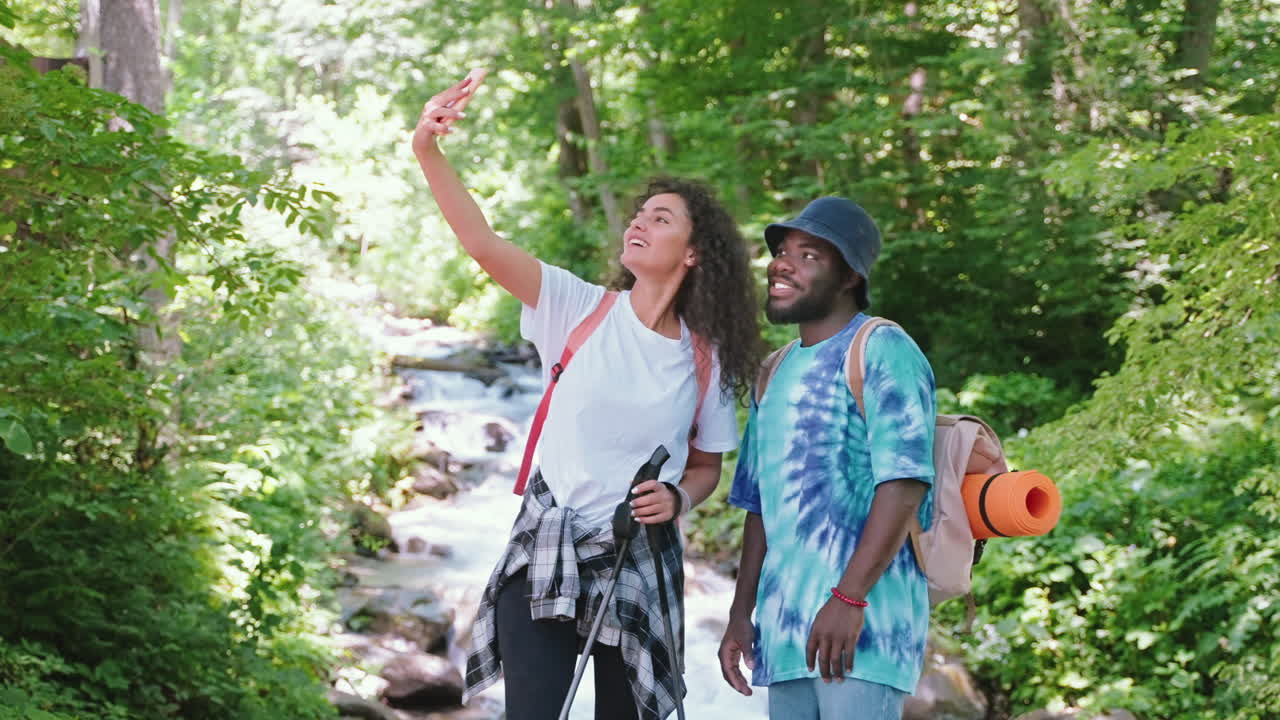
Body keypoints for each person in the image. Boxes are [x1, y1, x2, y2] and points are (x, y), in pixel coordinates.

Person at [411, 71, 762, 720]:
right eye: (639, 213)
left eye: (661, 219)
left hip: (638, 558)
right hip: (548, 541)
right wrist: (428, 150)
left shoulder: (704, 359)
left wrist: (680, 494)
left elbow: (708, 465)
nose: (640, 222)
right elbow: (481, 245)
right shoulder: (577, 307)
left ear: (693, 255)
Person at [717, 197, 937, 720]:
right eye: (782, 251)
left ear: (849, 278)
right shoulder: (772, 370)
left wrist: (850, 597)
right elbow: (759, 506)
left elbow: (905, 481)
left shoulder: (882, 347)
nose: (783, 263)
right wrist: (739, 614)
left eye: (809, 255)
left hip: (864, 634)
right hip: (786, 635)